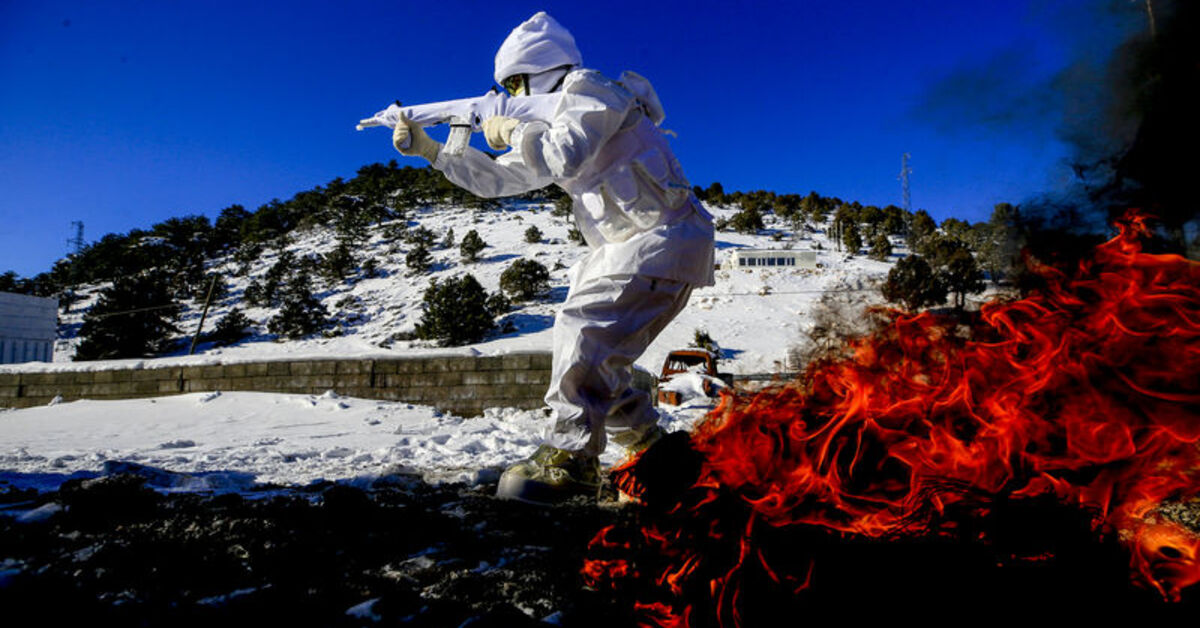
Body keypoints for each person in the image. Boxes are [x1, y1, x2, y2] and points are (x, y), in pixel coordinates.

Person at [391, 11, 715, 504]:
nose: (515, 98)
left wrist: (514, 131)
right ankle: (653, 455)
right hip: (626, 249)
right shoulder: (550, 119)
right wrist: (435, 151)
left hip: (663, 241)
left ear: (543, 72)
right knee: (600, 361)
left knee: (581, 329)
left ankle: (571, 460)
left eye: (518, 85)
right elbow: (505, 180)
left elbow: (563, 154)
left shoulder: (592, 90)